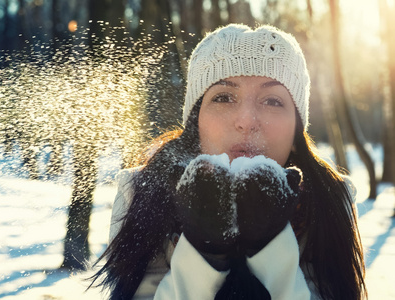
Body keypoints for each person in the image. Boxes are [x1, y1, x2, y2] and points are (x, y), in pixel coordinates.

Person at [91, 24, 367, 299]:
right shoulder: (143, 193)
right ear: (194, 125)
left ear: (297, 132)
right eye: (223, 97)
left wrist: (269, 248)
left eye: (272, 101)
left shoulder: (329, 201)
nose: (246, 121)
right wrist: (203, 253)